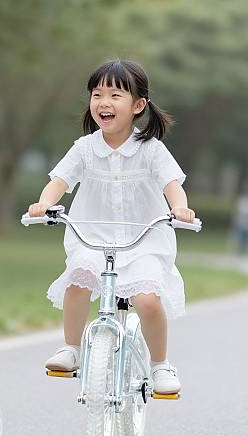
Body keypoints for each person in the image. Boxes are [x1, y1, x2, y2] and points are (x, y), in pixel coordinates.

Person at [27, 59, 195, 394]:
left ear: (137, 105)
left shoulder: (151, 149)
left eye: (115, 95)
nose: (104, 102)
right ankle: (71, 348)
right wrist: (44, 203)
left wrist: (180, 207)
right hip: (93, 238)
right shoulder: (85, 148)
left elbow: (172, 184)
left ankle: (160, 363)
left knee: (147, 300)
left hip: (143, 241)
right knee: (78, 281)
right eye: (97, 94)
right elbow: (59, 181)